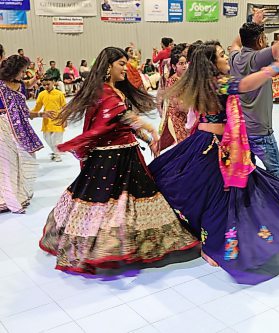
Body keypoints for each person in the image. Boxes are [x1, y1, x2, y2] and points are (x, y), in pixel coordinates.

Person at [149, 41, 279, 284]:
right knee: (220, 197)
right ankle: (211, 246)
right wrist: (277, 65)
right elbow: (246, 84)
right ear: (211, 63)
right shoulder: (216, 83)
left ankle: (209, 241)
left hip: (207, 142)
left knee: (214, 196)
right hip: (217, 148)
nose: (226, 58)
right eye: (221, 55)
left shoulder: (201, 83)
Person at [39, 47, 198, 274]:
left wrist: (145, 137)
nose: (126, 68)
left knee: (131, 200)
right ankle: (104, 248)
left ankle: (136, 243)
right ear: (108, 67)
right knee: (107, 202)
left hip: (128, 154)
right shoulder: (104, 92)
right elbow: (121, 117)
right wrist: (149, 128)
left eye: (126, 63)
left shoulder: (115, 91)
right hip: (110, 157)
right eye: (121, 64)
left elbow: (124, 123)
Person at [229, 1, 279, 178]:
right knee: (274, 170)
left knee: (247, 171)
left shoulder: (234, 58)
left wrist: (254, 21)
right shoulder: (257, 58)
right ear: (259, 40)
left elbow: (236, 42)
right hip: (260, 131)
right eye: (264, 38)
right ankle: (272, 203)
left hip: (241, 131)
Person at [0, 55, 47, 213]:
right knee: (8, 164)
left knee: (26, 159)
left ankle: (20, 195)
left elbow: (25, 112)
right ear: (13, 70)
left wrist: (42, 114)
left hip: (20, 129)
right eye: (22, 71)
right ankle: (8, 200)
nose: (24, 74)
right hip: (3, 128)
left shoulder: (20, 86)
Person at [158, 51, 189, 151]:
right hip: (177, 116)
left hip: (187, 114)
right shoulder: (172, 81)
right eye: (181, 64)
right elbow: (177, 103)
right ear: (174, 66)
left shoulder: (187, 78)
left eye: (185, 63)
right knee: (183, 144)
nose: (184, 66)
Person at [32, 75, 66, 162]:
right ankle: (56, 151)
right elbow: (37, 107)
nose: (46, 86)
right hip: (47, 120)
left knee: (56, 139)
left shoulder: (59, 94)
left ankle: (57, 154)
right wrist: (31, 114)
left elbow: (64, 107)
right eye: (44, 85)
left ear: (53, 83)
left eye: (48, 84)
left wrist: (65, 119)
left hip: (59, 119)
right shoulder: (41, 94)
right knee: (46, 137)